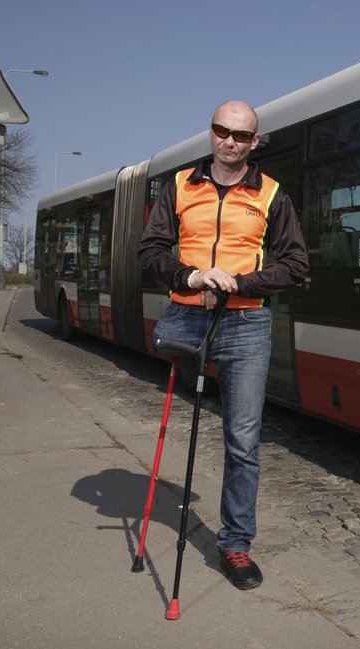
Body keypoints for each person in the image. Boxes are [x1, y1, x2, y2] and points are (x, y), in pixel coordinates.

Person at [138, 100, 309, 590]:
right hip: (186, 316)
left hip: (246, 325)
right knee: (183, 419)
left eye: (241, 134)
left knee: (243, 440)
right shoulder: (179, 186)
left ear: (254, 142)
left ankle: (235, 546)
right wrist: (192, 275)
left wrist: (240, 282)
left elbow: (295, 264)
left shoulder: (271, 194)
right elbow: (149, 252)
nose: (230, 140)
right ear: (210, 134)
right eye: (221, 130)